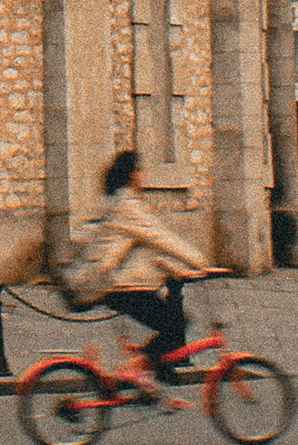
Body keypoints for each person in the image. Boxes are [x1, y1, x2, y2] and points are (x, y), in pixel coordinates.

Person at [86, 148, 216, 384]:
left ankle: (156, 377)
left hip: (120, 284)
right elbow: (161, 238)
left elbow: (146, 251)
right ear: (133, 174)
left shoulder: (117, 201)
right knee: (177, 326)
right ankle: (132, 370)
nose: (144, 175)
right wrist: (202, 263)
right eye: (141, 170)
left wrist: (179, 270)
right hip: (122, 287)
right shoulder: (127, 205)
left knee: (170, 328)